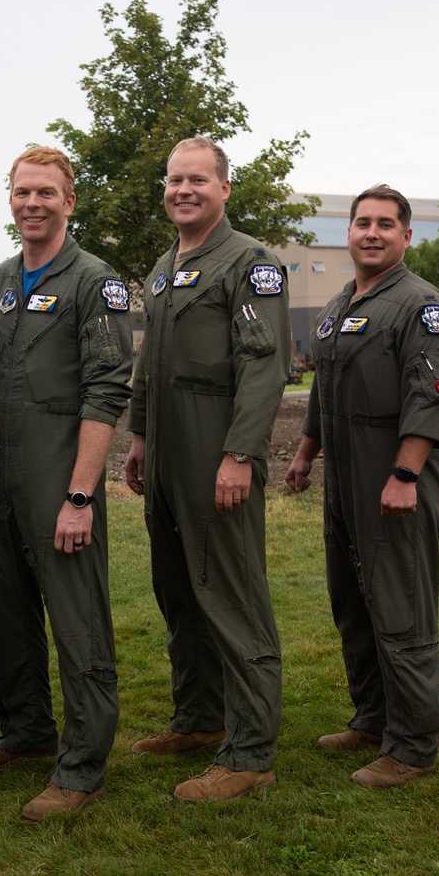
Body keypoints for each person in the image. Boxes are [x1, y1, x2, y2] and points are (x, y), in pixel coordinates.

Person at [0, 146, 133, 821]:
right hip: (2, 472)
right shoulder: (0, 280)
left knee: (78, 621)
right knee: (5, 613)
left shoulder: (94, 280)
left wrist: (80, 496)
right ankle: (26, 733)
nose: (33, 203)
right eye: (22, 192)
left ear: (69, 201)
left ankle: (82, 766)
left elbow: (106, 390)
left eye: (46, 193)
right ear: (10, 199)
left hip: (60, 469)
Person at [125, 136, 289, 802]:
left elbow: (264, 364)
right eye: (174, 180)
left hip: (216, 445)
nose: (183, 190)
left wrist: (240, 454)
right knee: (181, 593)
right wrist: (139, 437)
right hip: (165, 451)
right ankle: (198, 719)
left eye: (198, 179)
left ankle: (250, 751)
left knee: (231, 596)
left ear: (224, 187)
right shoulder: (165, 266)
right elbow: (149, 360)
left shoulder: (250, 262)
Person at [285, 184, 439, 787]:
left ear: (406, 236)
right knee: (354, 604)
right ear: (349, 233)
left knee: (401, 609)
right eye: (363, 223)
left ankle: (412, 748)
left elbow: (434, 396)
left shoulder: (420, 304)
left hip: (395, 482)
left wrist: (406, 474)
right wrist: (307, 452)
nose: (373, 233)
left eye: (387, 224)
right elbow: (322, 388)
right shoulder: (339, 304)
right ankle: (374, 719)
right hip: (347, 483)